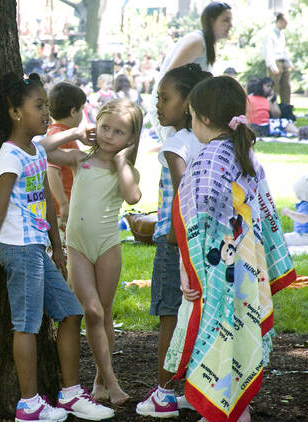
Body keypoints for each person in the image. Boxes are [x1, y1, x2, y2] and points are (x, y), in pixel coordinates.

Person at [0, 72, 114, 422]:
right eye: (38, 106)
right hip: (18, 248)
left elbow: (46, 198)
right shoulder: (9, 157)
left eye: (46, 105)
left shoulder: (35, 149)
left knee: (71, 311)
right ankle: (29, 405)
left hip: (36, 247)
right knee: (27, 326)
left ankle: (71, 394)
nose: (46, 112)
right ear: (16, 112)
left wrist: (57, 247)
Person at [164, 75, 296, 422]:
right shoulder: (244, 153)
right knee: (238, 347)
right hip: (246, 279)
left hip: (217, 281)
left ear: (205, 118)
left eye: (191, 116)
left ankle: (222, 410)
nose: (191, 124)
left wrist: (188, 270)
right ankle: (237, 409)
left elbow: (198, 228)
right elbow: (264, 219)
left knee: (220, 347)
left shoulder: (207, 160)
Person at [43, 98, 143, 405]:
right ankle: (112, 382)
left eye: (119, 132)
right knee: (93, 311)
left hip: (107, 246)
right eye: (105, 127)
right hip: (78, 247)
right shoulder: (78, 159)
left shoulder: (125, 170)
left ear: (130, 139)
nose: (109, 135)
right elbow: (42, 149)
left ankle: (101, 380)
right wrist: (75, 133)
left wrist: (123, 162)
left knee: (105, 313)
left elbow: (134, 197)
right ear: (95, 126)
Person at [134, 63, 212, 418]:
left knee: (170, 317)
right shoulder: (212, 141)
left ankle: (164, 393)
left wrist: (176, 238)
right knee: (199, 318)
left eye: (165, 98)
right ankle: (198, 390)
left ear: (188, 104)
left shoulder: (175, 144)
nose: (158, 105)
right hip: (205, 243)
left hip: (173, 244)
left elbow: (184, 195)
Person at [149, 2, 232, 143]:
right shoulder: (197, 41)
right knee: (179, 156)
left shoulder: (206, 44)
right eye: (226, 20)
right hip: (171, 110)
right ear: (211, 21)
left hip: (183, 111)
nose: (230, 25)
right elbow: (169, 79)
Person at [45, 82, 85, 233]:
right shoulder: (60, 136)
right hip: (60, 211)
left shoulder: (60, 133)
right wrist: (63, 203)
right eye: (82, 109)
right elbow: (51, 171)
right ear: (74, 111)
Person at [263, 13, 293, 106]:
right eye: (285, 22)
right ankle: (272, 107)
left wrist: (290, 63)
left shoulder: (282, 34)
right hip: (275, 61)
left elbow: (284, 50)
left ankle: (286, 107)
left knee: (286, 86)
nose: (286, 25)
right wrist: (272, 65)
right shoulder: (270, 33)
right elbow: (268, 50)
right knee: (274, 87)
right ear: (279, 21)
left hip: (283, 61)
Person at [282, 174, 308, 247]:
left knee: (281, 239)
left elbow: (303, 218)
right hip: (303, 234)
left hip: (305, 235)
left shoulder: (305, 205)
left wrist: (289, 212)